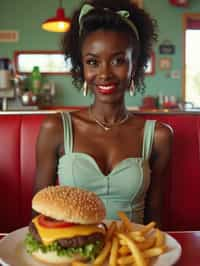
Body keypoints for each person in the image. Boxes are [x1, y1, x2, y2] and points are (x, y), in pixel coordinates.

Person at [34, 0, 173, 228]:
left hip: (131, 256)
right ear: (82, 66)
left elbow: (155, 214)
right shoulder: (56, 128)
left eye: (118, 60)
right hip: (74, 257)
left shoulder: (158, 136)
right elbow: (39, 210)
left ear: (135, 65)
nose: (105, 73)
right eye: (93, 62)